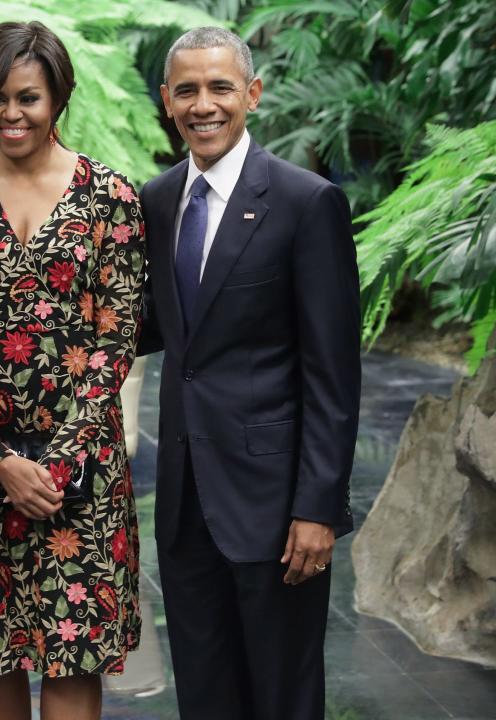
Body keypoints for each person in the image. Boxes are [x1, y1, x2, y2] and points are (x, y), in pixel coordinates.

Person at [0, 21, 144, 720]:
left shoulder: (111, 199)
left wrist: (56, 463)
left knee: (72, 654)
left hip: (78, 476)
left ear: (58, 99)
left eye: (27, 98)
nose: (10, 114)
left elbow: (115, 341)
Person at [138, 27, 361, 720]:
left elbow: (332, 372)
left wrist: (317, 508)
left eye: (220, 87)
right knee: (206, 694)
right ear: (167, 103)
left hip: (274, 505)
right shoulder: (155, 200)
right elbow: (156, 326)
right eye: (188, 90)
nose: (204, 105)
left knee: (283, 694)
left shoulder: (305, 202)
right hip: (184, 501)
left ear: (252, 95)